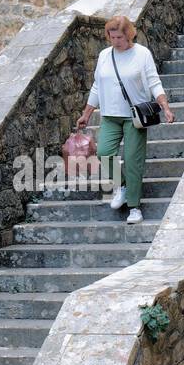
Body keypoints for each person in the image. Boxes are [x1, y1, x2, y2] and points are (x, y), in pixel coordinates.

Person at [75, 15, 175, 223]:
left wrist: (165, 107)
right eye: (111, 37)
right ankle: (122, 185)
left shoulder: (142, 54)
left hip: (134, 117)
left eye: (119, 37)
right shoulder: (104, 55)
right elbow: (96, 86)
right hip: (110, 115)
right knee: (103, 152)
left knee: (132, 161)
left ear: (129, 35)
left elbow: (154, 82)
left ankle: (134, 207)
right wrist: (86, 114)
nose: (115, 41)